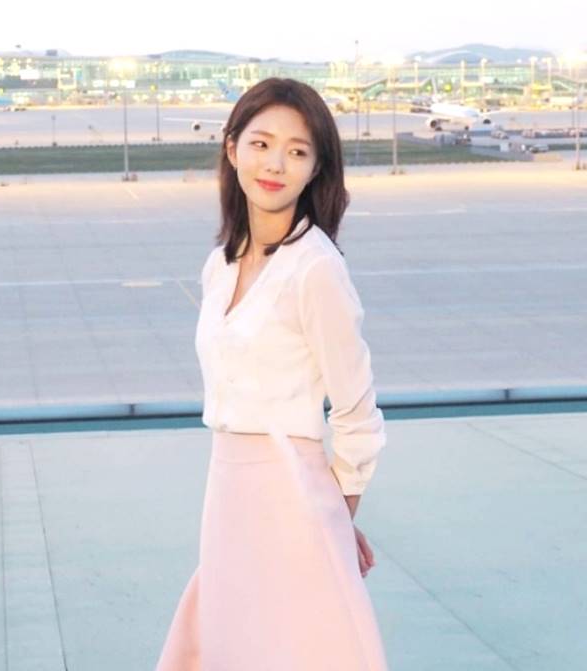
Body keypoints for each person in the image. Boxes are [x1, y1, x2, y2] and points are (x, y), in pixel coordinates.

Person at [155, 77, 390, 670]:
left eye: (297, 151)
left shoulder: (316, 269)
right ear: (232, 148)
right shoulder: (220, 265)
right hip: (227, 492)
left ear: (316, 169)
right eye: (261, 144)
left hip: (293, 493)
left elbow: (358, 414)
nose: (275, 164)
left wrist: (333, 516)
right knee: (231, 647)